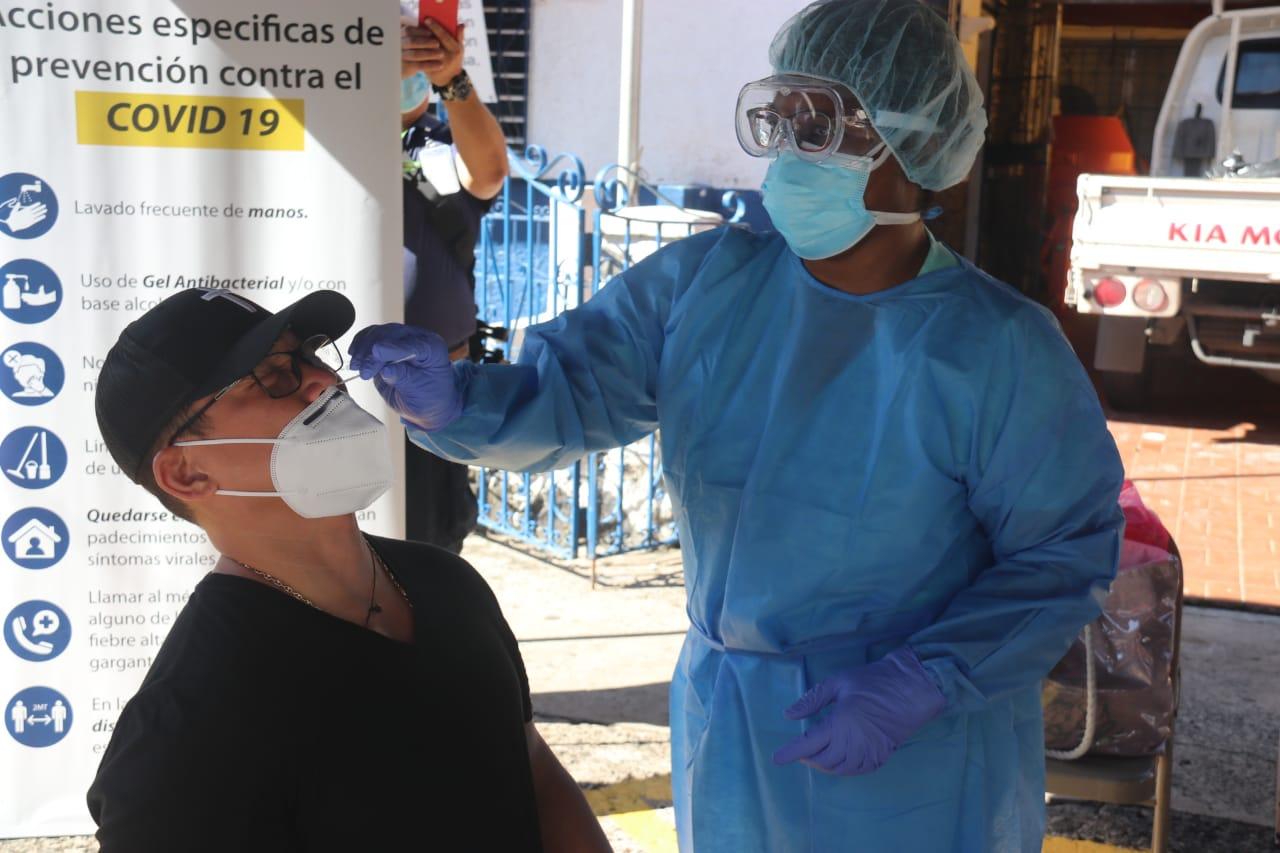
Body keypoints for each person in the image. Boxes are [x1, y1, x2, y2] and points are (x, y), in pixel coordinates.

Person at [349, 0, 1125, 849]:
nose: (790, 152)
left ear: (915, 144)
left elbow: (1063, 553)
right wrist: (458, 402)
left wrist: (925, 680)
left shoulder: (996, 347)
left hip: (915, 756)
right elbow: (569, 389)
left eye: (820, 127)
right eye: (780, 121)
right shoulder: (705, 289)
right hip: (728, 722)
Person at [86, 288, 608, 852]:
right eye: (272, 375)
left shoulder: (448, 582)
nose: (324, 380)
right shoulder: (184, 729)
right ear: (187, 474)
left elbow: (533, 772)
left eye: (308, 355)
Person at [399, 16, 509, 552]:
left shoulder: (438, 145)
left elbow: (488, 173)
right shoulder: (324, 136)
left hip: (430, 399)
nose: (406, 58)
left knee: (428, 551)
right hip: (335, 393)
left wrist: (452, 79)